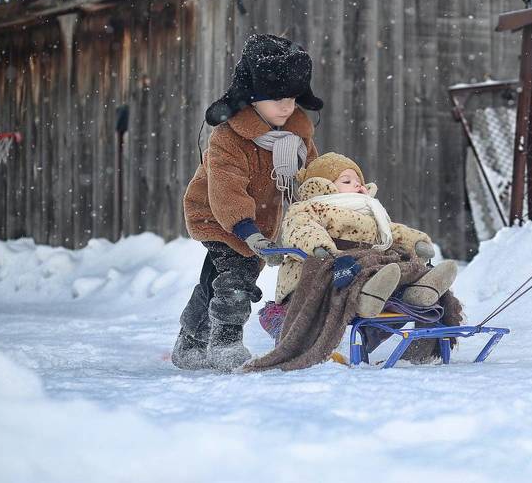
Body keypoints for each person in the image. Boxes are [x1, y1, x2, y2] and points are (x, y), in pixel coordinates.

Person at [171, 34, 321, 372]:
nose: (286, 106)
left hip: (260, 221)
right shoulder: (228, 137)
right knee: (236, 276)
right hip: (218, 215)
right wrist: (248, 231)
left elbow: (309, 177)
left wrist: (323, 202)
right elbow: (226, 189)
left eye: (293, 98)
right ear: (252, 98)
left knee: (214, 278)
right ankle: (225, 341)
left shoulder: (297, 137)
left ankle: (191, 340)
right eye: (276, 98)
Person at [243, 152, 462, 372]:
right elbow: (301, 228)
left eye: (358, 181)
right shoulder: (310, 208)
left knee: (399, 262)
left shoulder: (373, 213)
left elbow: (394, 232)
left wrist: (415, 242)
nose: (357, 185)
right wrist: (320, 246)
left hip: (371, 266)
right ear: (323, 186)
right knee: (367, 266)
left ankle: (417, 292)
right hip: (329, 267)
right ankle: (366, 298)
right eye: (347, 181)